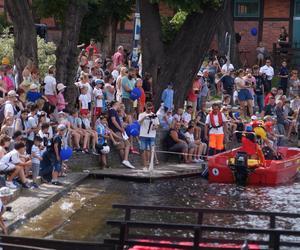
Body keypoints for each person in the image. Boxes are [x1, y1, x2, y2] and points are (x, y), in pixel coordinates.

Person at [108, 101, 134, 169]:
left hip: (120, 130)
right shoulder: (112, 110)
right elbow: (113, 121)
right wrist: (120, 128)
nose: (120, 106)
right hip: (116, 131)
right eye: (119, 104)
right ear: (115, 104)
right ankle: (125, 161)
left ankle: (125, 160)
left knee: (127, 144)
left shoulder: (114, 111)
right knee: (121, 147)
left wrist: (121, 128)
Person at [138, 102, 159, 170]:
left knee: (151, 150)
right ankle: (144, 165)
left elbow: (157, 125)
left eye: (150, 109)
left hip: (151, 135)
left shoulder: (154, 115)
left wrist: (155, 127)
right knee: (143, 150)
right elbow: (139, 123)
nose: (149, 110)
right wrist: (145, 117)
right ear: (145, 107)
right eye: (148, 109)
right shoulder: (141, 114)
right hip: (143, 134)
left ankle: (149, 163)